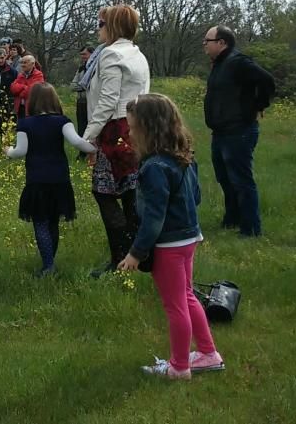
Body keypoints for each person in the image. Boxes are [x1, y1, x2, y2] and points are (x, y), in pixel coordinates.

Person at [118, 94, 223, 380]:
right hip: (189, 237)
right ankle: (208, 353)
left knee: (175, 305)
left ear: (148, 128)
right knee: (187, 297)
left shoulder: (153, 168)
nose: (129, 132)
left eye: (132, 126)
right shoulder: (183, 157)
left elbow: (154, 218)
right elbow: (196, 197)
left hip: (169, 245)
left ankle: (179, 367)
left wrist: (135, 253)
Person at [83, 4, 151, 278]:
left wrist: (87, 139)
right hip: (135, 127)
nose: (97, 29)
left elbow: (108, 101)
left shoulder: (111, 54)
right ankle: (139, 256)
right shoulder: (136, 53)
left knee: (105, 193)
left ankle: (120, 258)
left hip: (114, 130)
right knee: (131, 194)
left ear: (113, 27)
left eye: (100, 24)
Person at [6, 83, 96, 276]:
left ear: (33, 101)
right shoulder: (62, 121)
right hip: (59, 178)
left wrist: (8, 151)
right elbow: (77, 142)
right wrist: (95, 148)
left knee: (40, 221)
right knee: (54, 220)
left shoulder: (26, 124)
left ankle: (48, 265)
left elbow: (21, 151)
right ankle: (50, 261)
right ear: (55, 99)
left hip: (36, 178)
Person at [203, 25, 276, 237]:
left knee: (241, 180)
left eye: (207, 41)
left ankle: (251, 229)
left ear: (221, 43)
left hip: (239, 131)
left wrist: (259, 105)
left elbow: (267, 80)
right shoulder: (219, 64)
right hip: (221, 132)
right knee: (224, 178)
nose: (204, 45)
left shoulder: (238, 63)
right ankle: (232, 219)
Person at [70, 45, 96, 153]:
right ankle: (82, 152)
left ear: (92, 54)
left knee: (90, 127)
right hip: (81, 102)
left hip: (91, 102)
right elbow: (72, 86)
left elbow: (93, 85)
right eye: (81, 55)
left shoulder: (95, 68)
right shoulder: (81, 69)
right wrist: (83, 86)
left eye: (84, 54)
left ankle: (92, 150)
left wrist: (82, 86)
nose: (82, 57)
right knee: (81, 127)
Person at [9, 55, 45, 121]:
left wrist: (20, 92)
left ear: (32, 64)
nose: (22, 65)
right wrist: (24, 87)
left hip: (31, 109)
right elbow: (12, 88)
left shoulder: (38, 75)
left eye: (25, 63)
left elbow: (32, 91)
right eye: (21, 63)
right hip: (20, 108)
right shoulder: (20, 75)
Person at [0, 47, 18, 131]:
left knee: (7, 127)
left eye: (2, 58)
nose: (0, 60)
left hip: (8, 101)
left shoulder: (12, 71)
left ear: (5, 57)